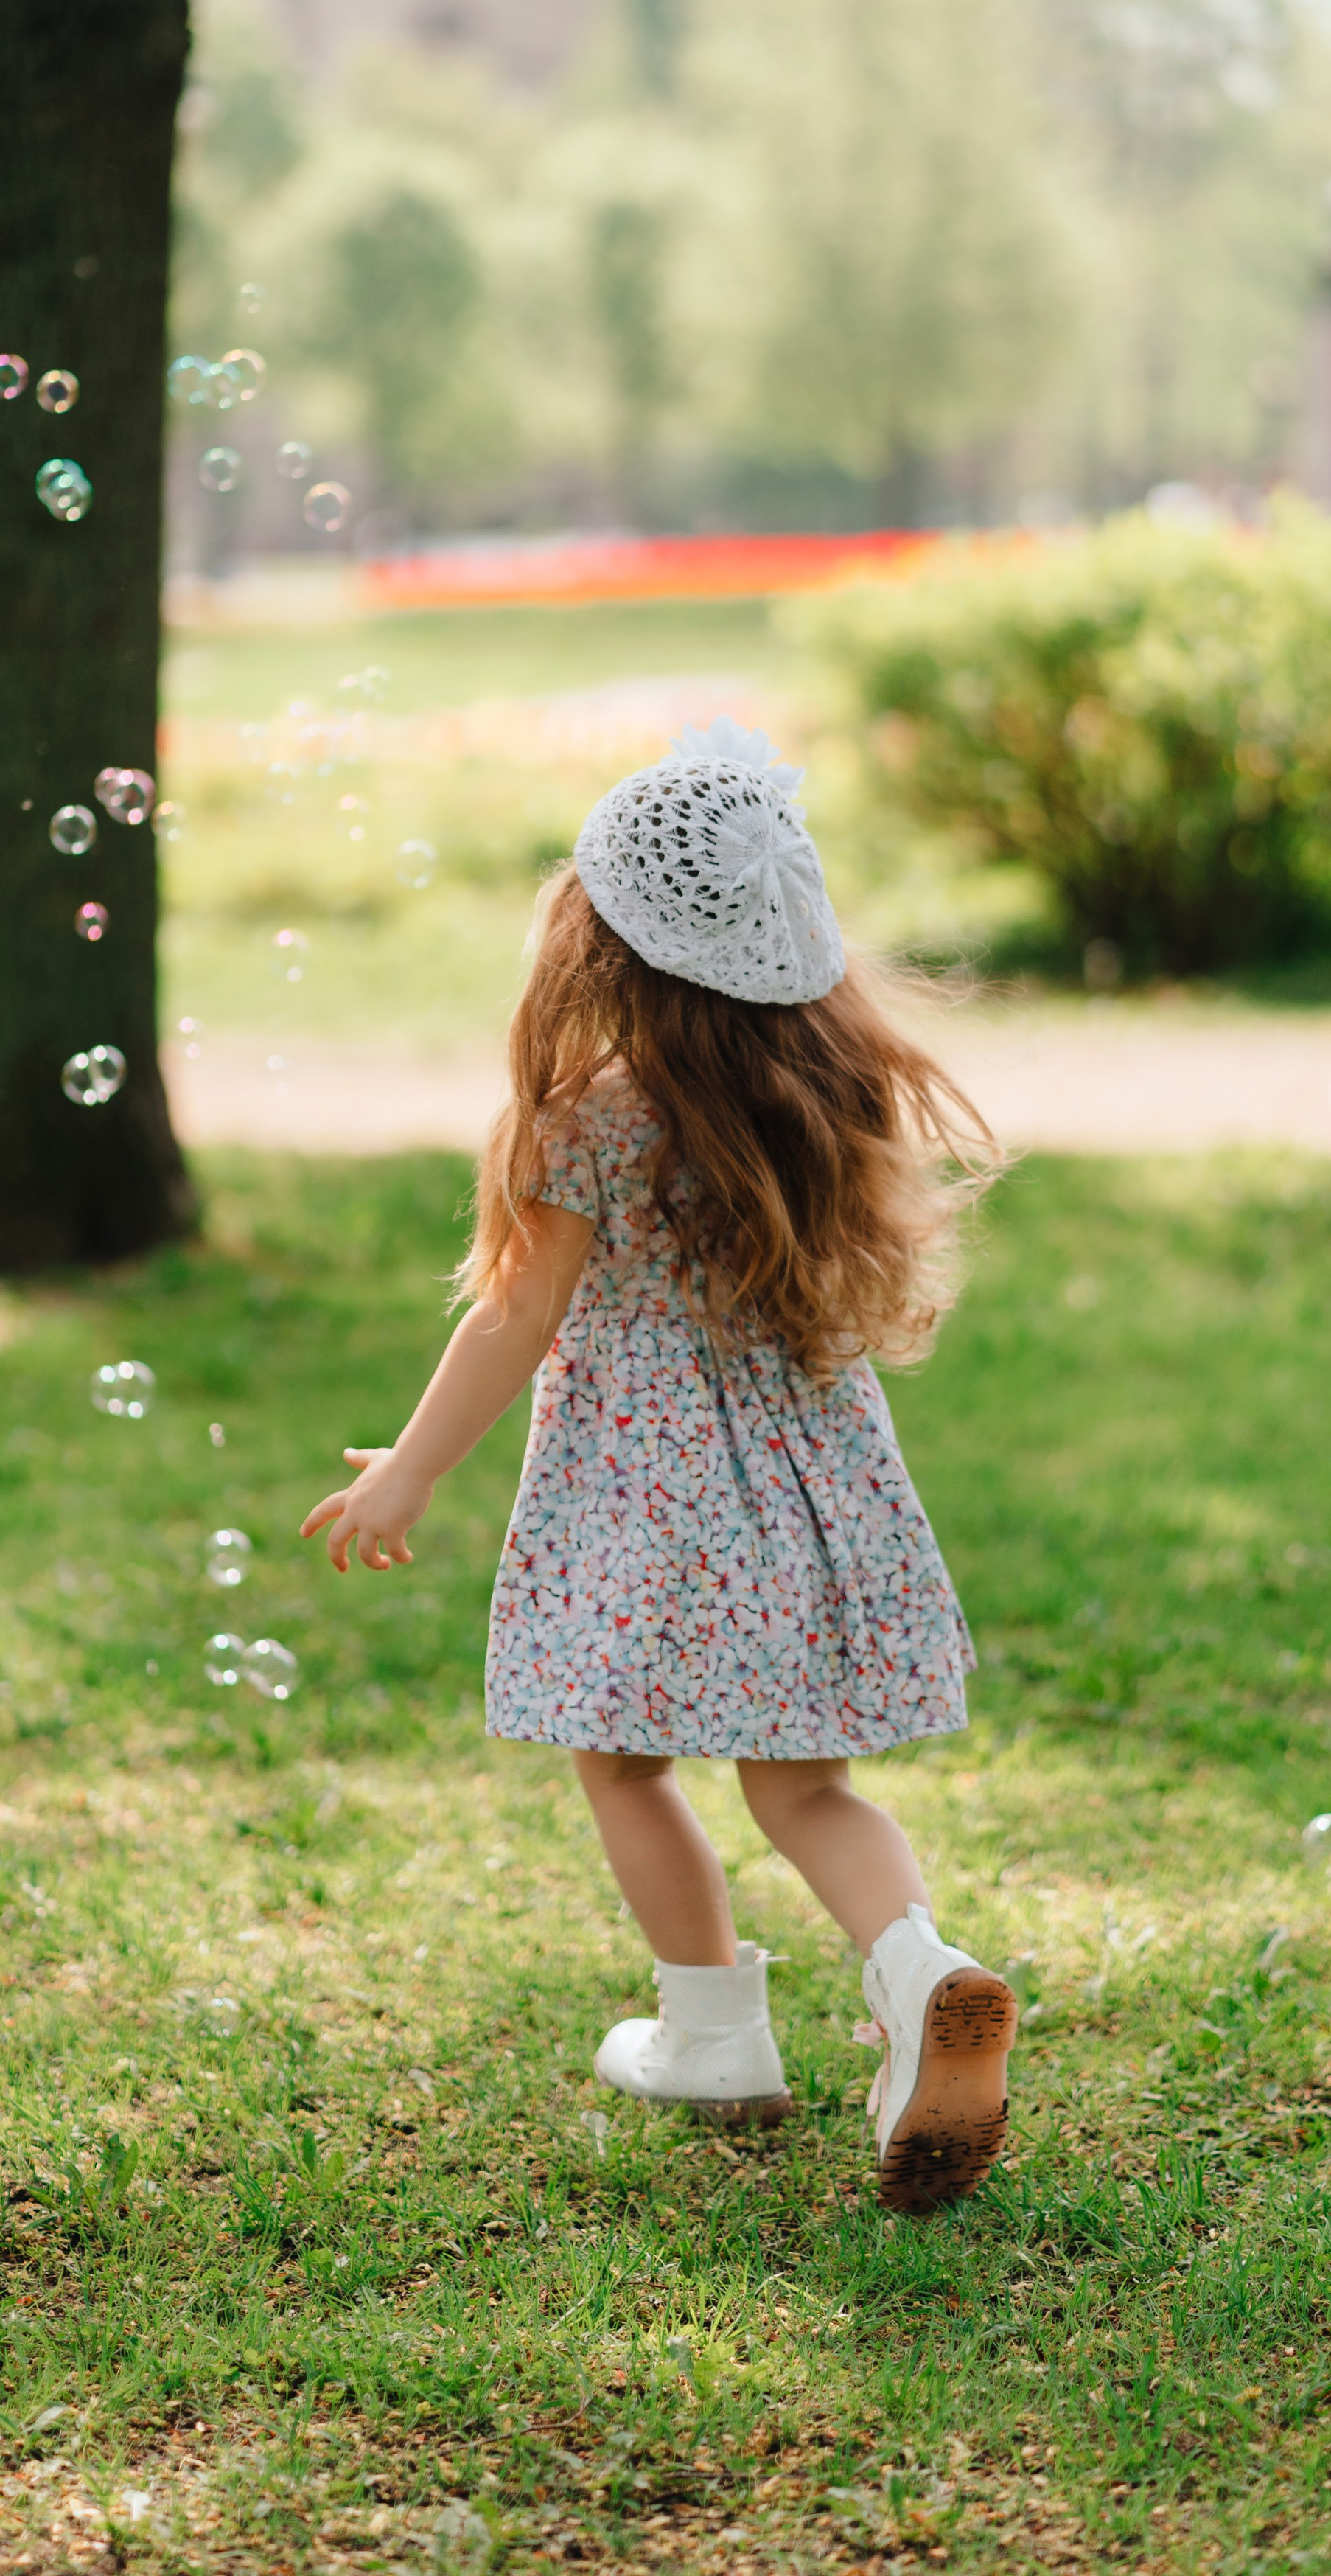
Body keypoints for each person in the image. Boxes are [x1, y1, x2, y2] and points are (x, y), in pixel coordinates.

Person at [301, 719, 1016, 2211]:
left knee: (623, 1756)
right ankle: (918, 1966)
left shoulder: (589, 1126)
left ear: (602, 943)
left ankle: (711, 2033)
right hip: (814, 1492)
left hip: (645, 1508)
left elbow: (513, 1318)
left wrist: (412, 1472)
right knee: (804, 1787)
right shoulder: (826, 1096)